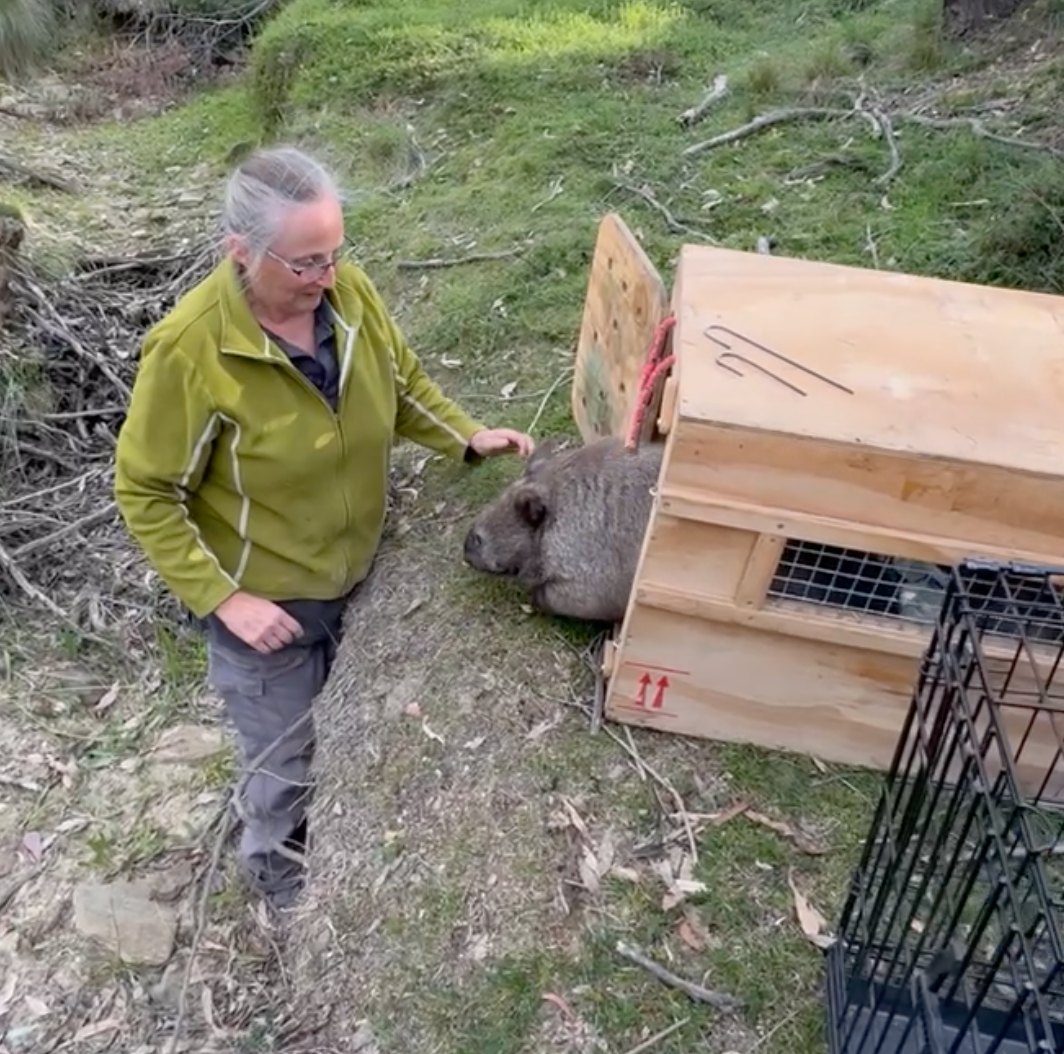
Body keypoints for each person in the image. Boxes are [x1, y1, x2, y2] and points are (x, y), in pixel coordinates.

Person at [113, 146, 534, 912]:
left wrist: (464, 435)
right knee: (283, 763)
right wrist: (224, 599)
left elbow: (402, 384)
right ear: (241, 252)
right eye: (306, 263)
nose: (327, 277)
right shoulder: (190, 351)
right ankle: (281, 888)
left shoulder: (349, 296)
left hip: (355, 573)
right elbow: (145, 491)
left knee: (336, 736)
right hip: (268, 605)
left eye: (335, 253)